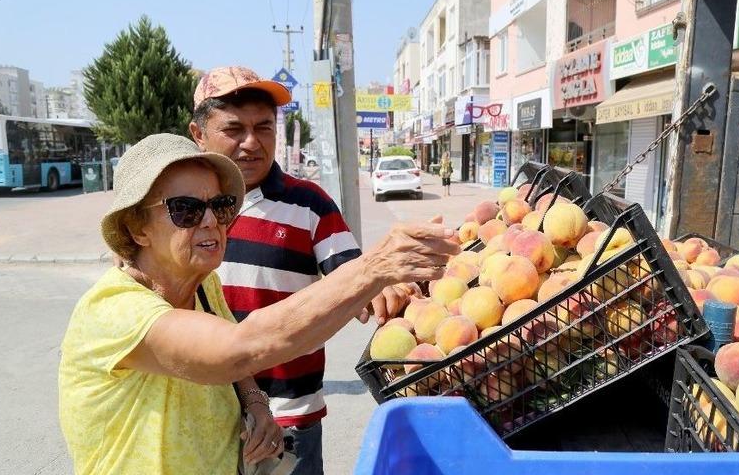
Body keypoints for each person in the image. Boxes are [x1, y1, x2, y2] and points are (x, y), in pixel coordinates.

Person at [58, 133, 458, 475]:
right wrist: (374, 267)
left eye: (220, 206)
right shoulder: (114, 310)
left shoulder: (202, 286)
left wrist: (255, 402)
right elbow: (237, 349)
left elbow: (237, 358)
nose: (211, 221)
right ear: (136, 228)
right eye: (186, 210)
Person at [188, 66, 417, 474]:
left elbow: (354, 274)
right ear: (198, 134)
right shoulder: (183, 207)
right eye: (234, 129)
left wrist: (382, 285)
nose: (251, 143)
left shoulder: (309, 203)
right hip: (204, 413)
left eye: (264, 128)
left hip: (288, 416)